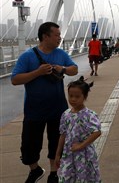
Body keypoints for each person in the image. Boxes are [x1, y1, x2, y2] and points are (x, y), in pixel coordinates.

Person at [11, 22, 78, 183]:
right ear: (45, 36)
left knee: (57, 143)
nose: (59, 38)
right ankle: (35, 170)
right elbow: (15, 79)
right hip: (34, 110)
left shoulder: (60, 54)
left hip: (58, 109)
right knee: (29, 146)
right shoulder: (28, 56)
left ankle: (54, 173)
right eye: (56, 35)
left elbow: (74, 69)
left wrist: (62, 69)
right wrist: (38, 72)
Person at [55, 77, 102, 182]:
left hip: (84, 155)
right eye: (71, 96)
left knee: (84, 178)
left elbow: (97, 132)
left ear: (84, 97)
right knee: (65, 177)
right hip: (68, 153)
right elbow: (62, 135)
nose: (73, 99)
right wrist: (58, 154)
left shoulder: (89, 115)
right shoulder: (66, 114)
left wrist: (81, 145)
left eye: (77, 96)